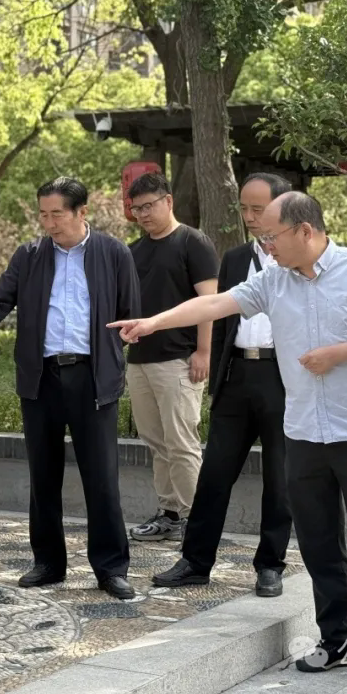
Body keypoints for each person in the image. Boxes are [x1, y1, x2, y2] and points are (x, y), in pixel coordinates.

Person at [109, 192, 347, 688]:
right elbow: (215, 302)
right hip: (304, 431)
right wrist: (154, 322)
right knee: (318, 543)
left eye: (272, 236)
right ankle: (336, 640)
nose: (266, 246)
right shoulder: (274, 280)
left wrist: (338, 354)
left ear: (305, 230)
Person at [0, 177, 140, 601]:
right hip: (42, 379)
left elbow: (130, 312)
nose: (49, 222)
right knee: (43, 476)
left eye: (57, 214)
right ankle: (48, 563)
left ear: (81, 212)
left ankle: (111, 568)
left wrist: (116, 350)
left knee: (102, 479)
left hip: (93, 379)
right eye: (43, 214)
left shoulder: (113, 252)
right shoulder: (30, 256)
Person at [152, 172, 294, 597]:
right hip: (236, 376)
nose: (250, 217)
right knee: (214, 473)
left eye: (258, 209)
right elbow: (218, 318)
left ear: (282, 208)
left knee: (280, 477)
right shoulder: (234, 258)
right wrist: (217, 375)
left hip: (283, 377)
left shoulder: (297, 260)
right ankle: (196, 561)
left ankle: (270, 564)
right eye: (244, 208)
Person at [124, 172, 219, 543]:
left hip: (180, 359)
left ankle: (197, 521)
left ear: (168, 201)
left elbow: (209, 303)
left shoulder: (193, 242)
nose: (143, 214)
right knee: (156, 442)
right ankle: (170, 514)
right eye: (136, 209)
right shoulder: (134, 250)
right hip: (140, 360)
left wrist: (203, 351)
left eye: (149, 206)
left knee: (181, 443)